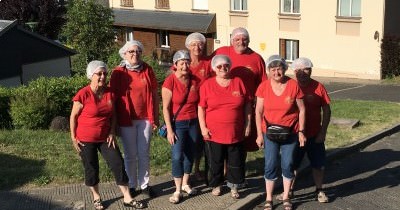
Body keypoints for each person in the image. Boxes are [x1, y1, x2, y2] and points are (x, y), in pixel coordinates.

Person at [70, 61, 144, 210]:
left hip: (105, 137)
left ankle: (127, 197)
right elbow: (73, 117)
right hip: (85, 138)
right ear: (91, 75)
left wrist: (111, 131)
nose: (103, 76)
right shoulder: (83, 94)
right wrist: (73, 137)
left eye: (104, 73)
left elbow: (114, 114)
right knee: (91, 168)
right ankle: (96, 197)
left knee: (117, 163)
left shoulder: (110, 93)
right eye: (99, 74)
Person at [255, 55, 306, 210]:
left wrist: (301, 131)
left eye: (279, 69)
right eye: (273, 69)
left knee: (288, 164)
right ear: (268, 71)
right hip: (269, 132)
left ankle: (285, 197)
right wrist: (258, 134)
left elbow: (302, 110)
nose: (276, 72)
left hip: (290, 132)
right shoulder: (263, 86)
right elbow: (258, 111)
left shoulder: (293, 85)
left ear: (284, 69)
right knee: (270, 164)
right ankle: (269, 198)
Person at [109, 40, 159, 198]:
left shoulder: (147, 69)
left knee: (144, 153)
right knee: (130, 154)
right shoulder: (118, 72)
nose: (134, 54)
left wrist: (155, 118)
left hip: (145, 119)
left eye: (137, 51)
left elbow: (154, 95)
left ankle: (144, 185)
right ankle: (131, 184)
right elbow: (112, 99)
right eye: (131, 52)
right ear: (124, 54)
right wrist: (114, 123)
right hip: (126, 120)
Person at [198, 55, 252, 199]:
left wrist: (248, 124)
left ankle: (234, 186)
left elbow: (247, 105)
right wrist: (203, 128)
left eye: (226, 65)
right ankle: (216, 185)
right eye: (219, 66)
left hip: (235, 131)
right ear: (214, 68)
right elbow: (201, 108)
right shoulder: (207, 85)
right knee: (215, 161)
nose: (223, 68)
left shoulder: (238, 82)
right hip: (214, 132)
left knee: (235, 161)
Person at [213, 27, 267, 172]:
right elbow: (207, 68)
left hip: (246, 106)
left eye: (244, 39)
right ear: (231, 41)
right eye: (237, 39)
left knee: (241, 140)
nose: (240, 42)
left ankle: (237, 172)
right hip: (222, 106)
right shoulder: (221, 52)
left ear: (248, 41)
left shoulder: (256, 58)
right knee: (222, 140)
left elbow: (263, 84)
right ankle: (223, 173)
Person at [161, 50, 201, 204]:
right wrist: (170, 130)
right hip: (178, 124)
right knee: (177, 156)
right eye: (181, 62)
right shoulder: (170, 81)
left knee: (190, 154)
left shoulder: (194, 80)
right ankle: (177, 190)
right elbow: (165, 108)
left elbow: (199, 103)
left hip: (193, 122)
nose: (185, 65)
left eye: (187, 62)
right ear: (175, 65)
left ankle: (186, 183)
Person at [290, 57, 331, 203]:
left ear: (311, 70)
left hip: (314, 134)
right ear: (294, 72)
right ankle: (289, 191)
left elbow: (326, 110)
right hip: (295, 135)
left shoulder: (318, 87)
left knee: (318, 164)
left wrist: (323, 131)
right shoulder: (291, 86)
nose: (302, 73)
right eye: (298, 70)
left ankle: (319, 190)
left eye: (305, 69)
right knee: (292, 164)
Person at [185, 32, 213, 181]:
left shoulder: (208, 63)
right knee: (189, 140)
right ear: (188, 46)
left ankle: (197, 169)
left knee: (200, 141)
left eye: (200, 44)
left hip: (205, 107)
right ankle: (185, 172)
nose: (197, 47)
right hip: (187, 108)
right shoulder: (183, 63)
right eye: (194, 44)